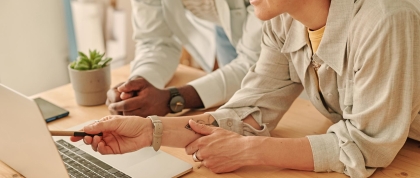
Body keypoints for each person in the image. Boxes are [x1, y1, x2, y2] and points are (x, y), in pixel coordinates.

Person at [71, 0, 420, 177]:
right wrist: (150, 130)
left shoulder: (385, 19)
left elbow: (366, 145)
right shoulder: (283, 20)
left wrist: (253, 151)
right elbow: (247, 113)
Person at [106, 0, 262, 116]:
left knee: (263, 92)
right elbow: (156, 41)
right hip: (223, 20)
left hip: (262, 16)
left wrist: (173, 99)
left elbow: (255, 65)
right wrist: (141, 84)